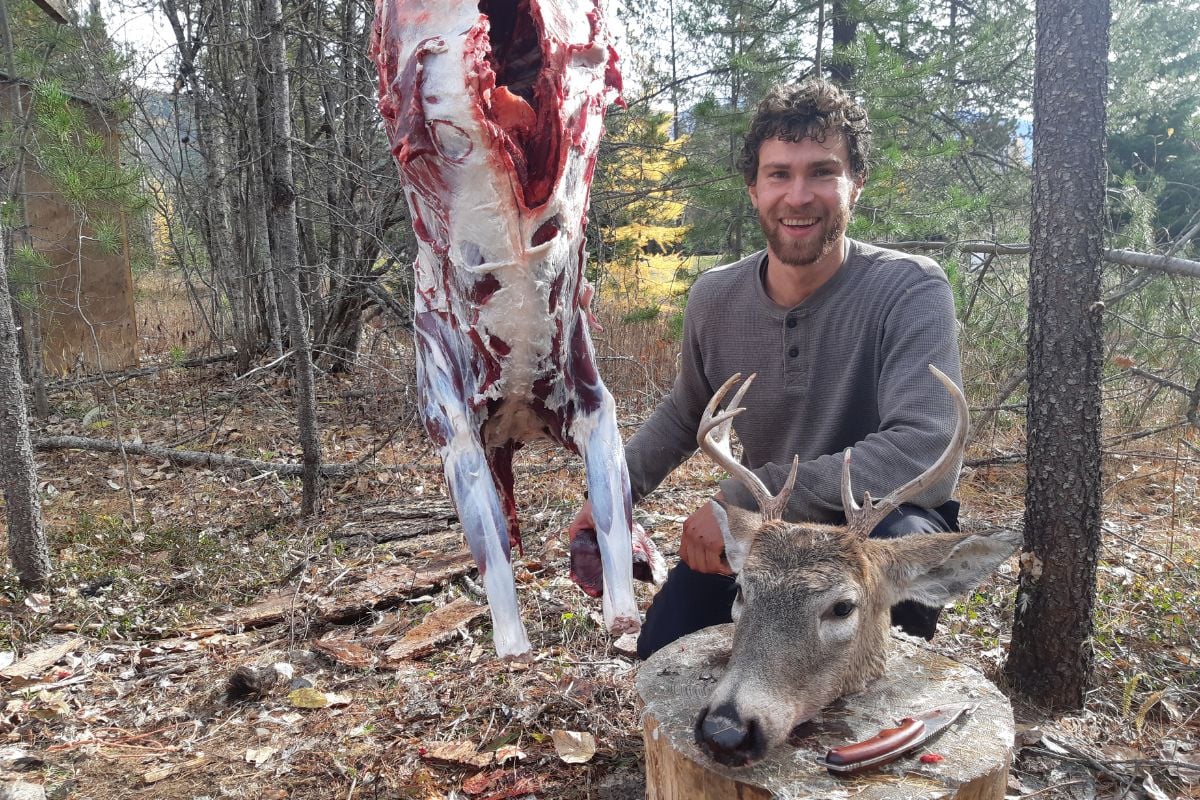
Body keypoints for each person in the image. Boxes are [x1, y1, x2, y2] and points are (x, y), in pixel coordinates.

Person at [571, 78, 963, 659]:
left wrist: (740, 503)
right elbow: (686, 412)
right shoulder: (716, 297)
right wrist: (612, 493)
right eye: (779, 173)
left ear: (857, 183)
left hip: (871, 529)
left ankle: (866, 707)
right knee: (664, 650)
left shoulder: (908, 289)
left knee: (899, 553)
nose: (798, 196)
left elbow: (922, 450)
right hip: (772, 534)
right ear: (753, 189)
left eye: (822, 172)